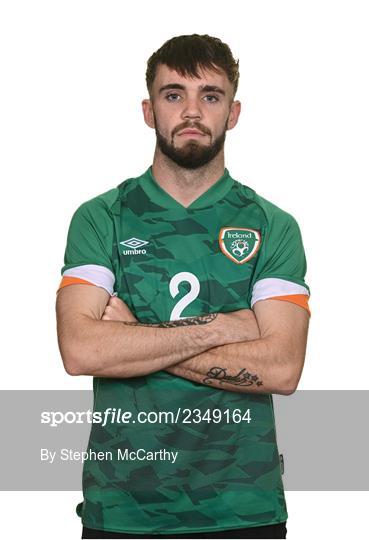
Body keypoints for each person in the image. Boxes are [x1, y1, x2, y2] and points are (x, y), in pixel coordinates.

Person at [56, 34, 310, 540]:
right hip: (123, 508)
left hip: (244, 508)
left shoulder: (272, 225)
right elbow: (81, 350)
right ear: (149, 111)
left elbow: (282, 368)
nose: (191, 110)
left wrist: (136, 337)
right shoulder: (101, 218)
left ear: (232, 113)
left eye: (209, 96)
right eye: (174, 95)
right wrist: (226, 328)